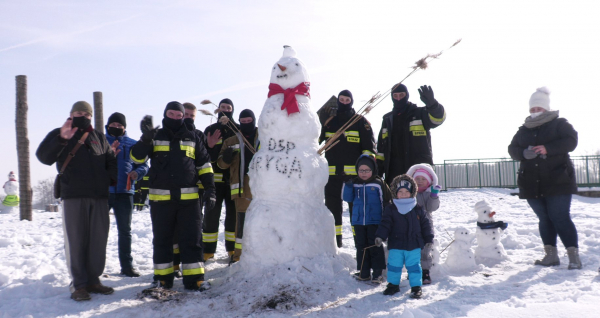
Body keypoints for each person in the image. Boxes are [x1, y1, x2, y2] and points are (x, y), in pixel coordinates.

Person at [130, 101, 216, 290]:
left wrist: (210, 189)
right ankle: (162, 279)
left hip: (190, 200)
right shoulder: (155, 136)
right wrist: (145, 139)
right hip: (162, 201)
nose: (176, 118)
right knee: (163, 240)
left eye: (179, 115)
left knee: (192, 240)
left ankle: (195, 280)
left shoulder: (193, 137)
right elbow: (136, 158)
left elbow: (204, 165)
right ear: (165, 114)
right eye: (172, 114)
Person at [36, 101, 117, 301]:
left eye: (86, 113)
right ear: (71, 114)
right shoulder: (60, 133)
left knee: (98, 240)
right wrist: (61, 139)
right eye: (78, 112)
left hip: (98, 196)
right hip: (74, 195)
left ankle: (93, 280)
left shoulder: (99, 137)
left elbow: (110, 160)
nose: (83, 116)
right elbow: (43, 157)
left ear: (91, 116)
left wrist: (109, 178)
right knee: (76, 240)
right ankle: (79, 284)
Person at [508, 87, 581, 269]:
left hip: (558, 181)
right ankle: (550, 255)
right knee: (544, 218)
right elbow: (512, 149)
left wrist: (548, 148)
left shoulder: (560, 124)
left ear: (546, 108)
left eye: (538, 108)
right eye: (532, 109)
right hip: (531, 183)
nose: (535, 112)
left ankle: (573, 256)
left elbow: (572, 141)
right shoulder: (523, 129)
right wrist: (523, 153)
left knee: (560, 216)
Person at [319, 90, 376, 248]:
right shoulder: (330, 122)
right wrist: (320, 122)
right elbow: (315, 142)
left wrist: (364, 172)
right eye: (341, 99)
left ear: (351, 101)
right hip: (332, 176)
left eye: (347, 99)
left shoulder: (360, 122)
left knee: (356, 213)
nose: (344, 102)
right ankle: (335, 245)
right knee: (332, 212)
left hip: (354, 178)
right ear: (338, 101)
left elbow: (369, 150)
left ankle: (360, 245)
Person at [105, 112, 149, 278]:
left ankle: (127, 266)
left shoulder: (132, 144)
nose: (116, 128)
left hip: (125, 192)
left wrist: (137, 173)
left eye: (119, 125)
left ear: (124, 128)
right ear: (108, 126)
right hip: (104, 192)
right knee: (100, 231)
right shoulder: (100, 142)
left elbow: (144, 164)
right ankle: (96, 266)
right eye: (113, 125)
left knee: (125, 231)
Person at [375, 174, 433, 299]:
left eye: (406, 191)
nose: (403, 194)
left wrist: (428, 238)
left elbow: (425, 224)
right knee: (394, 265)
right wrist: (380, 236)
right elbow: (385, 224)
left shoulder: (418, 208)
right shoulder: (391, 209)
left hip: (414, 244)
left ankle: (416, 287)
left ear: (412, 192)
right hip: (396, 243)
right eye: (400, 191)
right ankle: (393, 285)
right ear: (395, 193)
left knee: (414, 267)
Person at [376, 84, 446, 186]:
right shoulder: (387, 119)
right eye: (395, 96)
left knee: (420, 202)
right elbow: (381, 150)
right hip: (393, 174)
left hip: (418, 172)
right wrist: (377, 173)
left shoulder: (420, 113)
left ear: (407, 95)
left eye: (401, 95)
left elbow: (438, 119)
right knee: (394, 202)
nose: (398, 98)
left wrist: (433, 104)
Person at [217, 109, 259, 263]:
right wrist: (226, 159)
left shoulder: (265, 138)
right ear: (239, 122)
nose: (246, 124)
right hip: (241, 187)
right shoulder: (231, 141)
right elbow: (220, 164)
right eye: (243, 121)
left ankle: (263, 253)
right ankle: (238, 256)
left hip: (263, 186)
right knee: (241, 222)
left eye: (249, 121)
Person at [342, 154, 392, 284]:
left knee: (375, 246)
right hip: (358, 221)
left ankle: (377, 273)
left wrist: (386, 220)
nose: (364, 173)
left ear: (373, 170)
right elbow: (347, 198)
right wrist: (347, 184)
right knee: (361, 247)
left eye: (367, 170)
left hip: (375, 221)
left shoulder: (378, 183)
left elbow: (386, 201)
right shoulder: (354, 183)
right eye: (361, 170)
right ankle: (363, 272)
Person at [203, 99, 239, 260]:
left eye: (228, 108)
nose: (225, 110)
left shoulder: (238, 130)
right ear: (217, 109)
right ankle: (208, 251)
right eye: (222, 108)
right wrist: (210, 148)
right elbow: (202, 157)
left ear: (233, 110)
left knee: (233, 216)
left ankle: (231, 250)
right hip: (214, 182)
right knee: (211, 216)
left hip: (233, 181)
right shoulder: (210, 129)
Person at [406, 163, 441, 284]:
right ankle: (412, 270)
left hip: (425, 226)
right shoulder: (409, 193)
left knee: (425, 249)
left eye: (423, 179)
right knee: (412, 249)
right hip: (411, 226)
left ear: (429, 181)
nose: (420, 181)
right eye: (417, 179)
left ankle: (425, 271)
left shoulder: (428, 193)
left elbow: (432, 208)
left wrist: (434, 195)